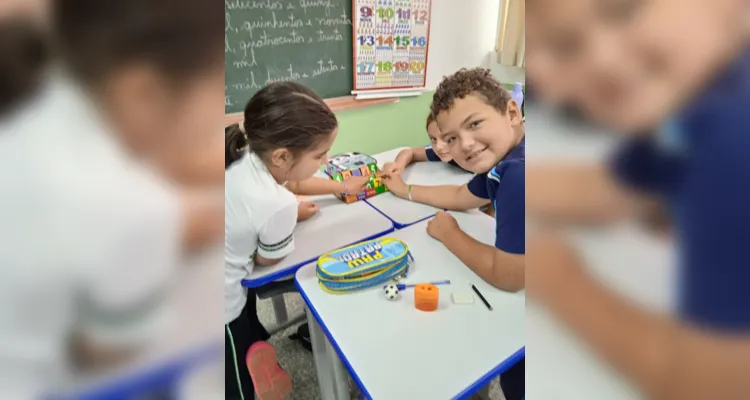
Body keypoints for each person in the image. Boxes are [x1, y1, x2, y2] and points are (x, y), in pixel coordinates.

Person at [525, 0, 750, 398]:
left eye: (625, 10)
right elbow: (611, 190)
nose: (604, 61)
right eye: (566, 45)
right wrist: (503, 181)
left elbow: (711, 386)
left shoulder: (734, 131)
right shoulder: (690, 100)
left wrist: (559, 279)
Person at [0, 0, 223, 398]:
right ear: (144, 90)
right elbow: (106, 349)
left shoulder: (39, 102)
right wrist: (169, 235)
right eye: (219, 91)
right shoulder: (137, 209)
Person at [382, 68, 526, 400]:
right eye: (450, 139)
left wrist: (449, 233)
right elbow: (463, 196)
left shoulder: (518, 174)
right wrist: (405, 190)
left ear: (512, 113)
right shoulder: (505, 160)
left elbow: (508, 276)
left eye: (474, 124)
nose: (465, 145)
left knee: (517, 381)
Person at [225, 81, 348, 399]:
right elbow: (267, 259)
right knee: (230, 377)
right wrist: (291, 216)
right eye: (320, 154)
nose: (326, 160)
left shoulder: (243, 152)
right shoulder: (277, 204)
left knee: (247, 329)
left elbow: (291, 181)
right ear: (281, 156)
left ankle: (257, 361)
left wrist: (337, 188)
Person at [380, 113, 470, 176]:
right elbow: (410, 152)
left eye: (446, 138)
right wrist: (398, 165)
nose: (438, 147)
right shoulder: (445, 153)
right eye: (433, 139)